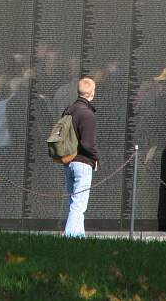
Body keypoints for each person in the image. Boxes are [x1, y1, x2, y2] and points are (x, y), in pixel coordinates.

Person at [60, 77, 98, 238]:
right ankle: (69, 237)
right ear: (92, 93)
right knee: (79, 205)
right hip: (83, 162)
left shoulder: (68, 110)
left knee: (74, 202)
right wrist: (96, 158)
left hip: (68, 162)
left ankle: (79, 237)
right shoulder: (87, 114)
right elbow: (88, 144)